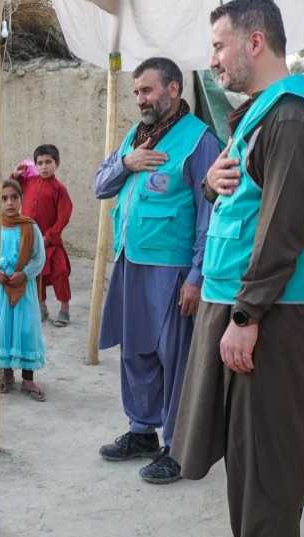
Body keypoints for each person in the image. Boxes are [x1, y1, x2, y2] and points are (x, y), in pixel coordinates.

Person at [171, 2, 304, 537]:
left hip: (274, 312)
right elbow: (245, 198)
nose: (213, 60)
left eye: (220, 46)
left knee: (267, 452)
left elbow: (283, 228)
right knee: (247, 449)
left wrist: (246, 316)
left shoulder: (291, 118)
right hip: (246, 301)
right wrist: (210, 182)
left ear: (256, 42)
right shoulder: (261, 115)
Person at [94, 57, 224, 484]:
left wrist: (196, 276)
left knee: (175, 356)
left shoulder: (199, 141)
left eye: (147, 90)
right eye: (136, 92)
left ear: (173, 89)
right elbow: (100, 186)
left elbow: (210, 215)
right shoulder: (135, 138)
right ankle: (142, 430)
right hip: (130, 261)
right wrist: (126, 163)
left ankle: (178, 447)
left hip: (172, 270)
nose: (140, 99)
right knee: (135, 350)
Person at [0, 179, 48, 401]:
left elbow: (39, 258)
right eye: (4, 198)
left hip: (24, 289)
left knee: (26, 330)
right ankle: (6, 375)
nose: (9, 203)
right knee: (1, 329)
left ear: (21, 200)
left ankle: (28, 379)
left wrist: (24, 274)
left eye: (14, 197)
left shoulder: (31, 228)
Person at [11, 144, 74, 327]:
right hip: (31, 241)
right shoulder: (29, 183)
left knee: (60, 272)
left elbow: (64, 216)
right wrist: (15, 175)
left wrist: (49, 236)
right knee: (36, 275)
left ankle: (64, 309)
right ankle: (41, 307)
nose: (44, 166)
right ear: (35, 165)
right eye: (40, 163)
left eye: (48, 162)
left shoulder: (59, 189)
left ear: (57, 164)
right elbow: (12, 190)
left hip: (50, 242)